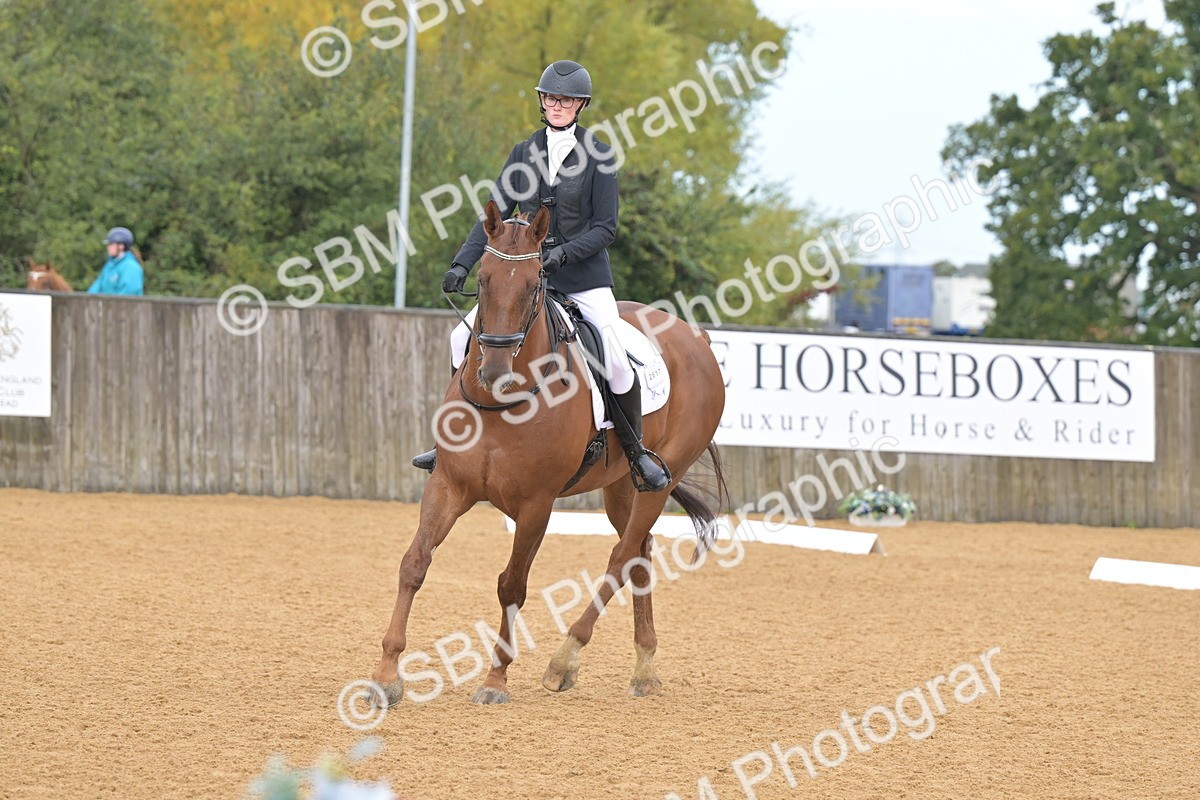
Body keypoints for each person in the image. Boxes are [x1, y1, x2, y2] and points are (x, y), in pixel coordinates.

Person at [412, 60, 670, 492]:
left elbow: (606, 228)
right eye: (551, 98)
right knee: (459, 339)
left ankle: (636, 450)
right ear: (542, 101)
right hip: (524, 277)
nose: (558, 105)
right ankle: (451, 441)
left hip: (584, 278)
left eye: (566, 100)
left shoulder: (599, 155)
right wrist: (463, 261)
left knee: (618, 360)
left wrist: (564, 254)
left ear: (580, 105)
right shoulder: (523, 152)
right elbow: (494, 212)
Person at [88, 227, 144, 296]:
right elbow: (96, 288)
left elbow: (127, 294)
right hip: (108, 306)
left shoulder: (131, 267)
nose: (108, 247)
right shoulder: (109, 266)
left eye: (111, 244)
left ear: (121, 246)